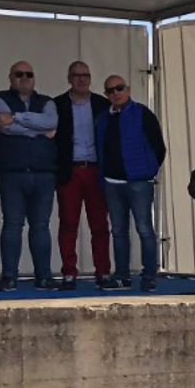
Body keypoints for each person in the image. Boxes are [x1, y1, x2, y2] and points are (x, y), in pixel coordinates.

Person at [0, 60, 58, 291]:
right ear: (10, 77)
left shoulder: (47, 102)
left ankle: (44, 277)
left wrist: (15, 117)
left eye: (29, 74)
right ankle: (9, 277)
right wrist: (38, 129)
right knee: (13, 225)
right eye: (19, 74)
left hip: (44, 173)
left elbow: (52, 122)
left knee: (41, 227)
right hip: (12, 173)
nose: (24, 78)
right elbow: (2, 126)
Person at [93, 75, 165, 291]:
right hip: (112, 183)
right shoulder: (103, 118)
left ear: (128, 89)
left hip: (139, 182)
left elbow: (159, 147)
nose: (116, 93)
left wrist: (147, 171)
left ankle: (149, 275)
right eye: (110, 90)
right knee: (118, 230)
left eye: (119, 88)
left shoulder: (143, 114)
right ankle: (122, 275)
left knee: (144, 228)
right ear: (106, 94)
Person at [49, 61, 111, 290]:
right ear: (69, 78)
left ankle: (103, 272)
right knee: (68, 224)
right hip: (70, 170)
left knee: (100, 225)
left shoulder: (102, 104)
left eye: (85, 75)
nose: (81, 79)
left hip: (96, 170)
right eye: (76, 75)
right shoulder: (56, 105)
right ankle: (69, 273)